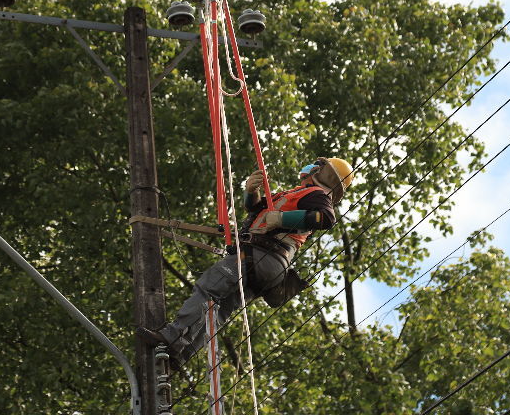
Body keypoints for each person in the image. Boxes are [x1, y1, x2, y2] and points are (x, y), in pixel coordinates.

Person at [138, 157, 354, 366]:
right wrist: (252, 191)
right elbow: (255, 210)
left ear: (322, 172)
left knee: (208, 288)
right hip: (268, 267)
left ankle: (171, 336)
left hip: (261, 255)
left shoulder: (317, 194)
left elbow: (326, 218)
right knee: (219, 310)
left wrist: (280, 219)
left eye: (315, 166)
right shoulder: (295, 195)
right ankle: (181, 354)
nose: (309, 169)